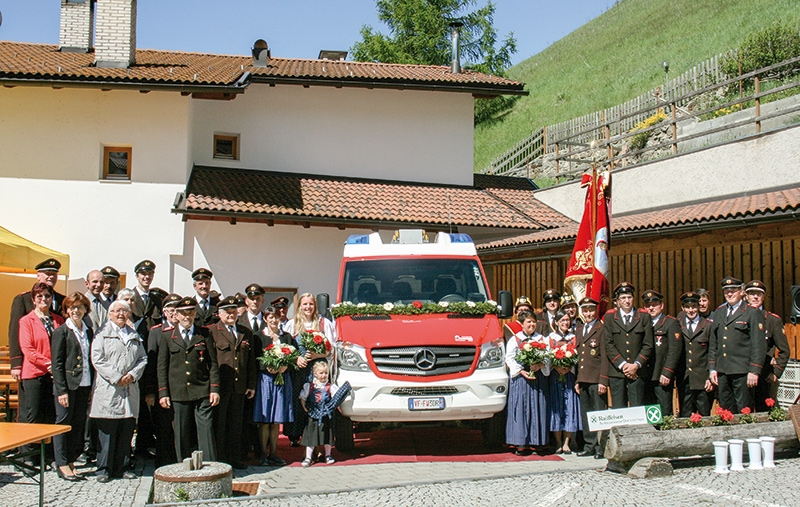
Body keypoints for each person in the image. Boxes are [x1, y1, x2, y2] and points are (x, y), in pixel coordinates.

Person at [89, 299, 147, 482]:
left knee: (126, 429)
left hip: (129, 389)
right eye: (117, 311)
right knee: (107, 431)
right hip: (109, 388)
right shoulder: (102, 333)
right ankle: (103, 469)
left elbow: (143, 358)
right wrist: (116, 377)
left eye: (125, 311)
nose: (121, 314)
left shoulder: (133, 334)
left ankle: (123, 467)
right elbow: (97, 359)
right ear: (110, 314)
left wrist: (132, 375)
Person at [157, 297, 220, 462]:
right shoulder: (167, 336)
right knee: (181, 431)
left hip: (201, 388)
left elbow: (212, 363)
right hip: (178, 391)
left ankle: (210, 465)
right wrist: (163, 393)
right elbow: (162, 367)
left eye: (190, 313)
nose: (187, 317)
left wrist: (214, 388)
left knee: (206, 429)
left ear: (195, 314)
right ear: (176, 315)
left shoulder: (204, 334)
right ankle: (183, 465)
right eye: (183, 313)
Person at [208, 296, 257, 469]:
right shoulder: (212, 332)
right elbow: (211, 361)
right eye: (227, 312)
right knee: (220, 425)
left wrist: (251, 384)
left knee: (236, 425)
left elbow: (250, 361)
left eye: (234, 312)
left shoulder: (245, 332)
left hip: (239, 386)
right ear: (220, 314)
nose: (231, 315)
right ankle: (220, 459)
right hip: (222, 386)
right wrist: (213, 387)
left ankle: (234, 458)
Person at [18, 281, 65, 459]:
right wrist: (49, 364)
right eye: (39, 296)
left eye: (47, 296)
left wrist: (57, 367)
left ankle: (48, 455)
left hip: (54, 374)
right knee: (34, 414)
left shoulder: (58, 320)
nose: (43, 299)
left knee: (51, 414)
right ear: (33, 299)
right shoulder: (26, 321)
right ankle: (28, 455)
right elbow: (28, 349)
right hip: (34, 373)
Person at [51, 292, 94, 481]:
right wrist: (61, 390)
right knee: (63, 423)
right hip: (67, 386)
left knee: (77, 424)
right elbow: (57, 364)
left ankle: (71, 460)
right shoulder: (61, 331)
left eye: (80, 307)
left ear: (85, 309)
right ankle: (61, 463)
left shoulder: (88, 330)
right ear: (67, 310)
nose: (76, 310)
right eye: (72, 307)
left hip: (84, 383)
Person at [284, 293, 336, 448]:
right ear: (300, 306)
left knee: (317, 400)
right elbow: (285, 347)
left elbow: (332, 349)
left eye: (311, 304)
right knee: (297, 401)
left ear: (315, 306)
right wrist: (296, 358)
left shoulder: (324, 323)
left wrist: (317, 355)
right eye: (305, 304)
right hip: (298, 370)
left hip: (317, 370)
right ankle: (295, 435)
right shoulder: (292, 324)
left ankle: (317, 439)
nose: (308, 307)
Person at [708, 277, 767, 413]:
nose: (729, 294)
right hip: (722, 371)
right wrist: (712, 368)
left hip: (743, 372)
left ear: (741, 292)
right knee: (726, 411)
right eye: (726, 291)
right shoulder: (719, 312)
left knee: (744, 411)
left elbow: (758, 345)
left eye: (733, 291)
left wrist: (754, 370)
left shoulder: (752, 312)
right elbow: (713, 343)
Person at [8, 258, 65, 382]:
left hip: (55, 365)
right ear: (38, 276)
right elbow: (14, 332)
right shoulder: (23, 299)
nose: (51, 277)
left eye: (54, 274)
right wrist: (16, 363)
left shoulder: (63, 300)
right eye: (47, 273)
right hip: (31, 364)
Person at [142, 293, 181, 468]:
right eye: (170, 310)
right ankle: (164, 462)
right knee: (163, 427)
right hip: (162, 388)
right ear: (164, 312)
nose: (174, 314)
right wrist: (151, 390)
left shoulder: (185, 330)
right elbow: (151, 364)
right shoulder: (156, 332)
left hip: (181, 387)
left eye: (177, 310)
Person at [253, 305, 295, 466]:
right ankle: (263, 454)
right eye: (270, 317)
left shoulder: (286, 337)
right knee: (265, 419)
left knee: (276, 420)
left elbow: (294, 357)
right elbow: (255, 359)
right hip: (265, 379)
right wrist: (267, 367)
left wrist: (285, 366)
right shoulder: (258, 336)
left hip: (282, 379)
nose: (274, 320)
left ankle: (274, 454)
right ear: (265, 319)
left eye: (276, 317)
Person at [505, 310, 550, 455]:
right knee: (521, 408)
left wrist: (540, 365)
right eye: (528, 322)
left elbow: (548, 357)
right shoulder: (515, 339)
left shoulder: (542, 339)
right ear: (522, 324)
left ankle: (537, 442)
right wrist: (520, 370)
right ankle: (521, 443)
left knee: (538, 407)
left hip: (537, 378)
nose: (532, 324)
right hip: (521, 378)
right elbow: (509, 358)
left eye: (533, 322)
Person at [603, 282, 654, 408]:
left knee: (637, 408)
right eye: (623, 298)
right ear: (617, 301)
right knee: (619, 409)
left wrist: (635, 365)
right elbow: (608, 344)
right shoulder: (610, 317)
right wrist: (623, 365)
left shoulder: (643, 316)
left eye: (629, 297)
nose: (627, 301)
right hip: (617, 372)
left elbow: (648, 344)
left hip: (637, 371)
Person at [744, 280, 790, 412]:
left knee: (763, 411)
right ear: (746, 297)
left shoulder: (772, 320)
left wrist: (776, 372)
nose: (755, 297)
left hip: (764, 375)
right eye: (752, 293)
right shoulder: (738, 318)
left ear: (763, 297)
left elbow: (784, 350)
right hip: (741, 373)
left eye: (758, 294)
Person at [574, 297, 607, 459]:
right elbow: (580, 358)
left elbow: (605, 356)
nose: (588, 314)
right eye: (585, 311)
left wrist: (603, 380)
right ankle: (589, 445)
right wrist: (578, 380)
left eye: (591, 311)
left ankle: (601, 446)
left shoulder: (601, 328)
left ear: (596, 311)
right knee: (586, 414)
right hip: (584, 378)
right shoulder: (580, 329)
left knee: (599, 414)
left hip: (596, 379)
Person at [641, 290, 683, 415]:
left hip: (662, 376)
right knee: (649, 413)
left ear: (662, 305)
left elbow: (675, 350)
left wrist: (667, 372)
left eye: (654, 305)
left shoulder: (671, 323)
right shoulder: (642, 323)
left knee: (664, 412)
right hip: (645, 375)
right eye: (648, 306)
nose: (651, 308)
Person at [547, 310, 581, 454]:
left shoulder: (574, 337)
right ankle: (558, 442)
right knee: (557, 407)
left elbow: (578, 357)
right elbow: (547, 356)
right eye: (562, 320)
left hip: (569, 376)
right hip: (555, 376)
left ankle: (567, 442)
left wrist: (568, 367)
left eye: (567, 320)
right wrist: (556, 366)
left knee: (569, 407)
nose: (565, 323)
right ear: (556, 322)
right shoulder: (551, 337)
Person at [298, 361, 342, 467]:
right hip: (313, 414)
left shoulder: (330, 387)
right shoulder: (309, 386)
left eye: (326, 373)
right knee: (311, 437)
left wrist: (332, 407)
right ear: (315, 373)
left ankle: (328, 455)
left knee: (327, 436)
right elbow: (303, 397)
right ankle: (308, 457)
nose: (324, 375)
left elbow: (336, 398)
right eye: (321, 373)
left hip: (326, 415)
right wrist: (305, 408)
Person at [678, 291, 715, 416]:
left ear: (698, 307)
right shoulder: (678, 325)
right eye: (687, 307)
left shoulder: (708, 325)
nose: (691, 310)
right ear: (683, 308)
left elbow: (712, 351)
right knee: (685, 416)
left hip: (702, 380)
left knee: (704, 415)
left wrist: (710, 376)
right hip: (684, 379)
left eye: (694, 306)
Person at [130, 260, 162, 329]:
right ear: (137, 276)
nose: (147, 277)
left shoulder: (156, 301)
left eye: (150, 273)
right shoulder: (129, 297)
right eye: (143, 274)